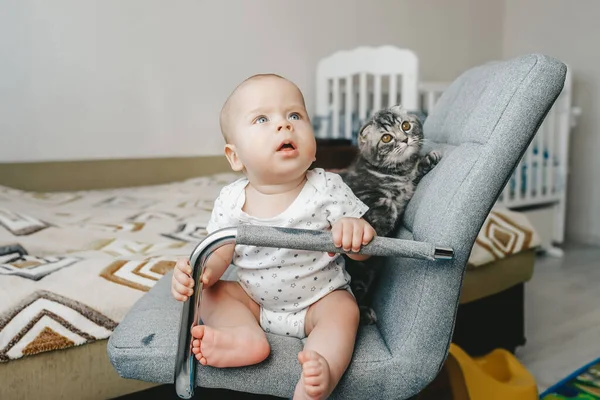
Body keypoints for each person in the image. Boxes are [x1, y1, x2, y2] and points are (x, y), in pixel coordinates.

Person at [171, 73, 376, 400]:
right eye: (262, 119)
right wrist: (201, 273)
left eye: (295, 115)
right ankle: (244, 337)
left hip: (318, 301)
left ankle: (321, 371)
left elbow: (364, 252)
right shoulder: (231, 199)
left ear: (313, 146)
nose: (284, 125)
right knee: (210, 294)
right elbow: (219, 254)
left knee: (345, 312)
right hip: (256, 301)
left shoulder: (327, 188)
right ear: (235, 156)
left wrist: (356, 232)